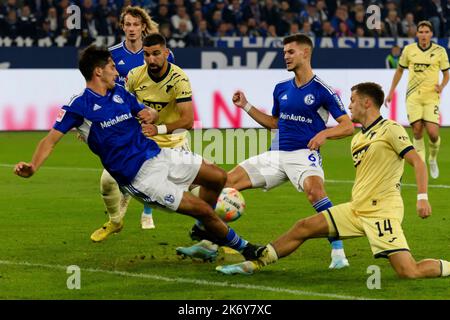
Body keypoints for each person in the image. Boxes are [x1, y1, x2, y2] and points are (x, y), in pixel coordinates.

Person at [14, 45, 263, 262]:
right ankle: (245, 247)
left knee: (218, 176)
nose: (116, 71)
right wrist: (33, 167)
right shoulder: (78, 105)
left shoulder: (121, 93)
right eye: (112, 67)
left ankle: (204, 230)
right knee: (204, 209)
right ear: (98, 71)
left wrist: (150, 115)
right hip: (140, 178)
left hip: (160, 155)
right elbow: (50, 140)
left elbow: (147, 112)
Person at [216, 82, 450, 280]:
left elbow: (418, 163)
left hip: (382, 213)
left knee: (409, 271)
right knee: (303, 227)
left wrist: (422, 197)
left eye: (352, 101)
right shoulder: (358, 139)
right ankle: (257, 261)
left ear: (366, 103)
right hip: (357, 209)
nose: (349, 106)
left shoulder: (391, 129)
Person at [177, 33, 354, 269]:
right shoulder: (281, 88)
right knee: (224, 183)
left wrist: (324, 134)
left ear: (306, 53)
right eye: (284, 53)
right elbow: (274, 122)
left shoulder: (323, 90)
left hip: (303, 155)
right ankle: (209, 244)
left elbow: (348, 125)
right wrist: (246, 106)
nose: (286, 57)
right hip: (275, 154)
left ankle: (338, 253)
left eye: (290, 52)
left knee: (315, 193)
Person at [95, 6, 175, 238]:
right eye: (127, 25)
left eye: (135, 25)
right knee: (110, 179)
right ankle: (121, 205)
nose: (131, 29)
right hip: (121, 121)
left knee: (154, 167)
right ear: (122, 27)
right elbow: (100, 88)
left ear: (143, 27)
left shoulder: (157, 53)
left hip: (150, 118)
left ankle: (147, 213)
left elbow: (171, 84)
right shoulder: (112, 55)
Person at [386, 20, 449, 179]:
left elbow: (447, 74)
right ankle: (421, 166)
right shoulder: (409, 50)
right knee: (417, 130)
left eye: (426, 32)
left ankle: (432, 159)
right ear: (417, 34)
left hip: (431, 97)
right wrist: (391, 91)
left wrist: (441, 86)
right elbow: (399, 71)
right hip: (413, 97)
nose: (423, 35)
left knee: (433, 133)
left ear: (431, 34)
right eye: (420, 32)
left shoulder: (440, 51)